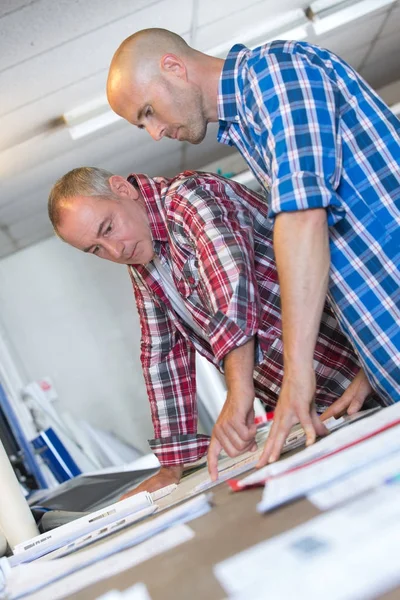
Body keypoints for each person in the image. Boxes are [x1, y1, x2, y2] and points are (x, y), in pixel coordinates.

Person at [107, 28, 400, 466]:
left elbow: (302, 219)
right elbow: (349, 243)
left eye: (148, 111)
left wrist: (297, 380)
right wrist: (369, 363)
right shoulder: (249, 124)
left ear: (173, 66)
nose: (154, 133)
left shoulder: (274, 76)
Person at [48, 167, 373, 491]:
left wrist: (238, 392)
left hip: (369, 366)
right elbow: (163, 354)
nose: (115, 251)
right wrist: (171, 467)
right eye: (96, 249)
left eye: (108, 228)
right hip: (323, 404)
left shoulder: (191, 197)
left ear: (123, 188)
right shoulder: (143, 257)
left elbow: (230, 291)